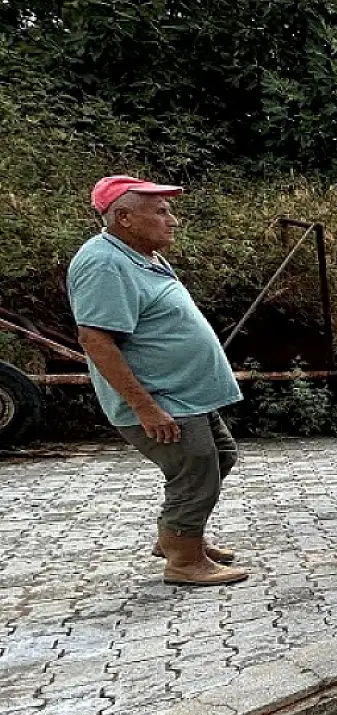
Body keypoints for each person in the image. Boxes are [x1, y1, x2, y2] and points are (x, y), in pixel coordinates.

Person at [70, 176, 248, 586]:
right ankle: (184, 560)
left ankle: (177, 536)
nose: (174, 220)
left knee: (218, 457)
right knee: (196, 467)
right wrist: (145, 406)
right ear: (124, 217)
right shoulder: (104, 262)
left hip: (185, 395)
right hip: (162, 399)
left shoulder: (139, 255)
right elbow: (95, 339)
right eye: (161, 211)